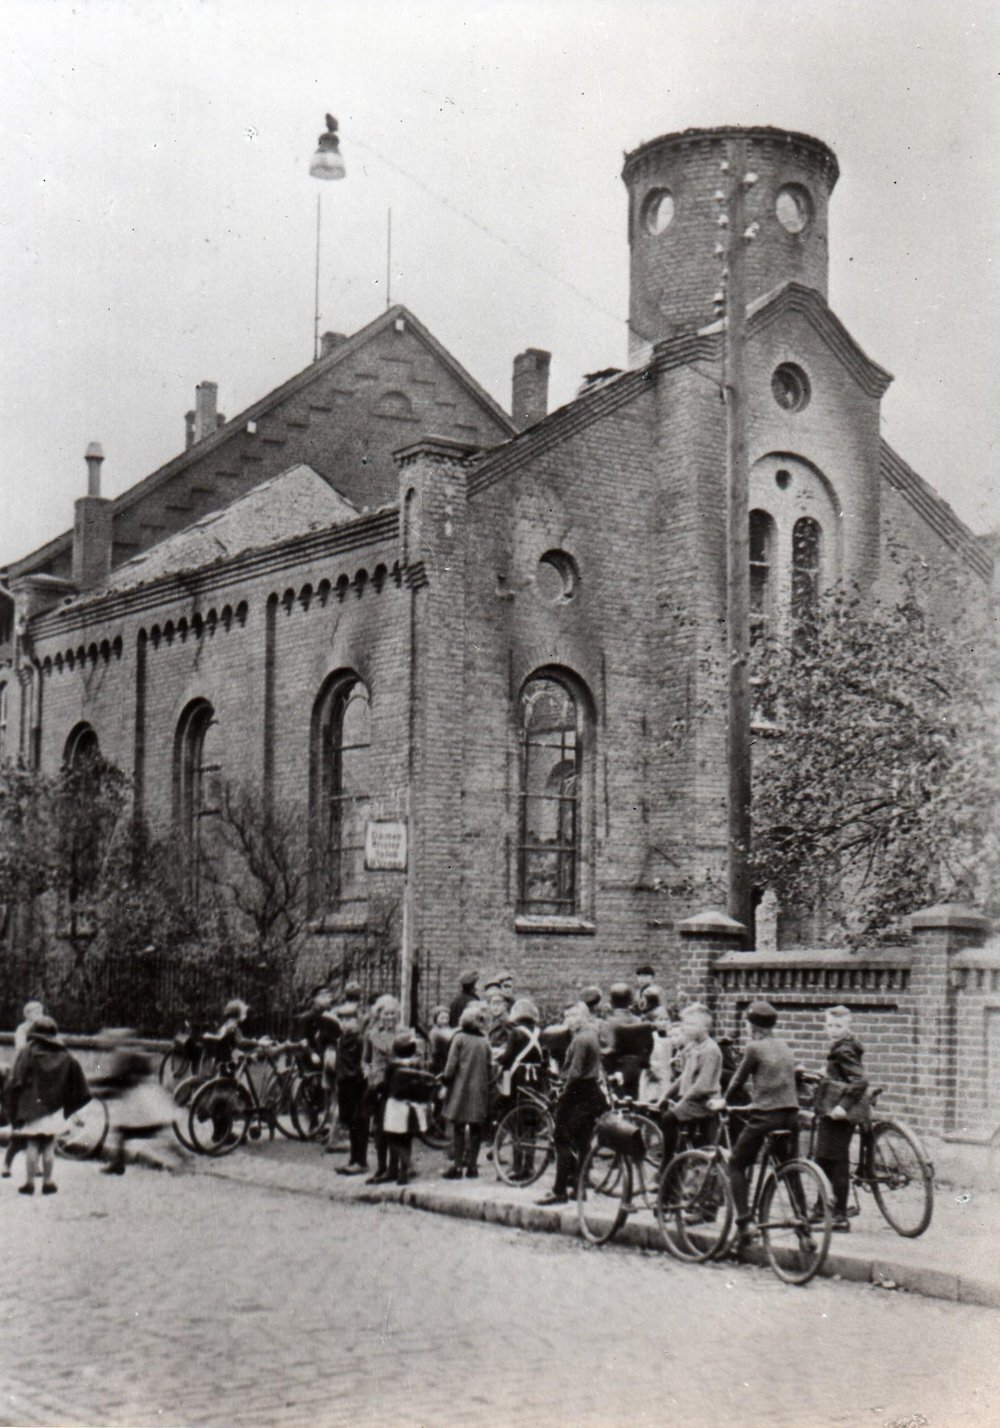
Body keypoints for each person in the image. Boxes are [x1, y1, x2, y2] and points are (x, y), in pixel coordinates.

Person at [711, 1000, 801, 1250]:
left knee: (737, 1163)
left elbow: (738, 1080)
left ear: (753, 1026)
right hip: (791, 1117)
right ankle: (804, 1231)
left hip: (766, 1116)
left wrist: (723, 1102)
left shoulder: (754, 1048)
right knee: (789, 1169)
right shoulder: (784, 1046)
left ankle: (744, 1223)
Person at [4, 1016, 90, 1196]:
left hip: (31, 1106)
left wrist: (13, 1100)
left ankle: (29, 1183)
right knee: (49, 1143)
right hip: (54, 1107)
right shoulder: (64, 1054)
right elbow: (75, 1078)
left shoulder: (27, 1051)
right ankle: (48, 1181)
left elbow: (16, 1078)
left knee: (33, 1143)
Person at [537, 1002, 608, 1206]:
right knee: (583, 1141)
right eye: (566, 1016)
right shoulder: (591, 1035)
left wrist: (562, 1095)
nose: (569, 1020)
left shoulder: (579, 1040)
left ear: (584, 1017)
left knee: (561, 1138)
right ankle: (579, 1188)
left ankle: (559, 1190)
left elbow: (574, 1073)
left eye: (574, 1016)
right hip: (591, 1093)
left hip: (577, 1093)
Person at [812, 1005, 870, 1231]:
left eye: (838, 1026)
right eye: (830, 1025)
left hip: (839, 1112)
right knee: (824, 1158)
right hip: (834, 1110)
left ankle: (839, 1216)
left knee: (836, 1162)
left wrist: (842, 1106)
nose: (833, 1030)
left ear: (848, 1027)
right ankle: (821, 1208)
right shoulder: (841, 1047)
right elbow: (843, 1074)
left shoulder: (843, 1050)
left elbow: (860, 1081)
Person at [93, 1029, 175, 1175]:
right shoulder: (128, 1052)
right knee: (127, 1132)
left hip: (139, 1098)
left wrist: (97, 1086)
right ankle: (117, 1164)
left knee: (141, 1130)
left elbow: (118, 1079)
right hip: (142, 1096)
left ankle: (118, 1164)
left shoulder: (122, 1055)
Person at [657, 1004, 723, 1171]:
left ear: (706, 1027)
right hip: (691, 1101)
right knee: (682, 1142)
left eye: (692, 1024)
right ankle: (673, 1179)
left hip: (702, 1103)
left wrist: (682, 1102)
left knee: (668, 1119)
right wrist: (666, 1095)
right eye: (685, 1023)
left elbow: (702, 1085)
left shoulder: (711, 1049)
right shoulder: (692, 1046)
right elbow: (684, 1076)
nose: (686, 1027)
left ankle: (666, 1165)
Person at [440, 1002, 493, 1179]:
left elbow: (451, 1065)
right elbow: (489, 1066)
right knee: (476, 1128)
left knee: (459, 1127)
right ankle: (472, 1167)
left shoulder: (459, 1038)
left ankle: (457, 1167)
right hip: (479, 1090)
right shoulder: (484, 1041)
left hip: (460, 1089)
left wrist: (445, 1079)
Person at [382, 1033, 433, 1186]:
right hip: (414, 1105)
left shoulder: (392, 1065)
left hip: (396, 1105)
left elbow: (386, 1083)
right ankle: (404, 1170)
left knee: (393, 1137)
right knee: (407, 1139)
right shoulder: (417, 1064)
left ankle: (400, 1166)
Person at [2, 999, 45, 1179]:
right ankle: (6, 1164)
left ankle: (35, 1165)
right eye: (35, 1012)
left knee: (42, 1126)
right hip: (23, 1078)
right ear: (27, 1014)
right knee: (20, 1126)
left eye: (41, 1011)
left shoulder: (45, 1028)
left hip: (40, 1079)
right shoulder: (22, 1030)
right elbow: (21, 1048)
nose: (39, 1015)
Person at [362, 994, 402, 1184]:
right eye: (386, 1013)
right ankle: (381, 1167)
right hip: (378, 1085)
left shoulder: (403, 1034)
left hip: (396, 1084)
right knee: (379, 1128)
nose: (389, 1017)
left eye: (393, 1014)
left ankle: (393, 1169)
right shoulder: (372, 1034)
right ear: (379, 1015)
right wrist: (369, 1073)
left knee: (394, 1127)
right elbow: (366, 1060)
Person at [333, 1003, 368, 1175]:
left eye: (349, 1020)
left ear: (357, 1021)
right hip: (344, 1086)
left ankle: (361, 1161)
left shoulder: (360, 1040)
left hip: (357, 1086)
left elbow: (364, 1062)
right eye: (342, 1020)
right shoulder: (341, 1039)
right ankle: (353, 1159)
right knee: (351, 1124)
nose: (345, 1024)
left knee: (359, 1123)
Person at [427, 1005, 454, 1076]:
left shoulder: (449, 1029)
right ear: (436, 1019)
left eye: (447, 1018)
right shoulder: (435, 1032)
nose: (445, 1021)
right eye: (442, 1018)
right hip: (438, 1062)